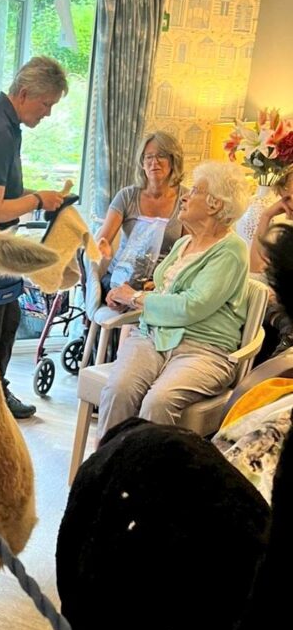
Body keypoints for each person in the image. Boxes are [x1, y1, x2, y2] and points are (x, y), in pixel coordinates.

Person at [96, 160, 251, 440]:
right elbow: (165, 294)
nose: (184, 196)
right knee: (119, 389)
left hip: (204, 350)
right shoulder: (182, 244)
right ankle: (106, 474)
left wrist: (137, 298)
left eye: (195, 192)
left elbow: (191, 306)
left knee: (159, 401)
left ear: (215, 204)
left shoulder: (232, 251)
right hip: (154, 336)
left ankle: (151, 482)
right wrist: (128, 300)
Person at [0, 56, 69, 419]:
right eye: (46, 104)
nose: (47, 114)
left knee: (7, 324)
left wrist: (36, 196)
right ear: (24, 94)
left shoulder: (1, 120)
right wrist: (37, 200)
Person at [95, 130, 188, 294]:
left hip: (162, 282)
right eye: (148, 157)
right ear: (142, 162)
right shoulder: (126, 196)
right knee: (120, 293)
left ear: (174, 160)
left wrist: (160, 282)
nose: (154, 162)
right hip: (121, 277)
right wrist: (102, 247)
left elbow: (188, 249)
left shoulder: (186, 200)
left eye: (161, 156)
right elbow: (104, 240)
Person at [248, 166, 293, 361]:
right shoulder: (281, 229)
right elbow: (256, 267)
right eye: (285, 198)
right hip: (275, 299)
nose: (289, 204)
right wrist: (266, 216)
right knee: (254, 283)